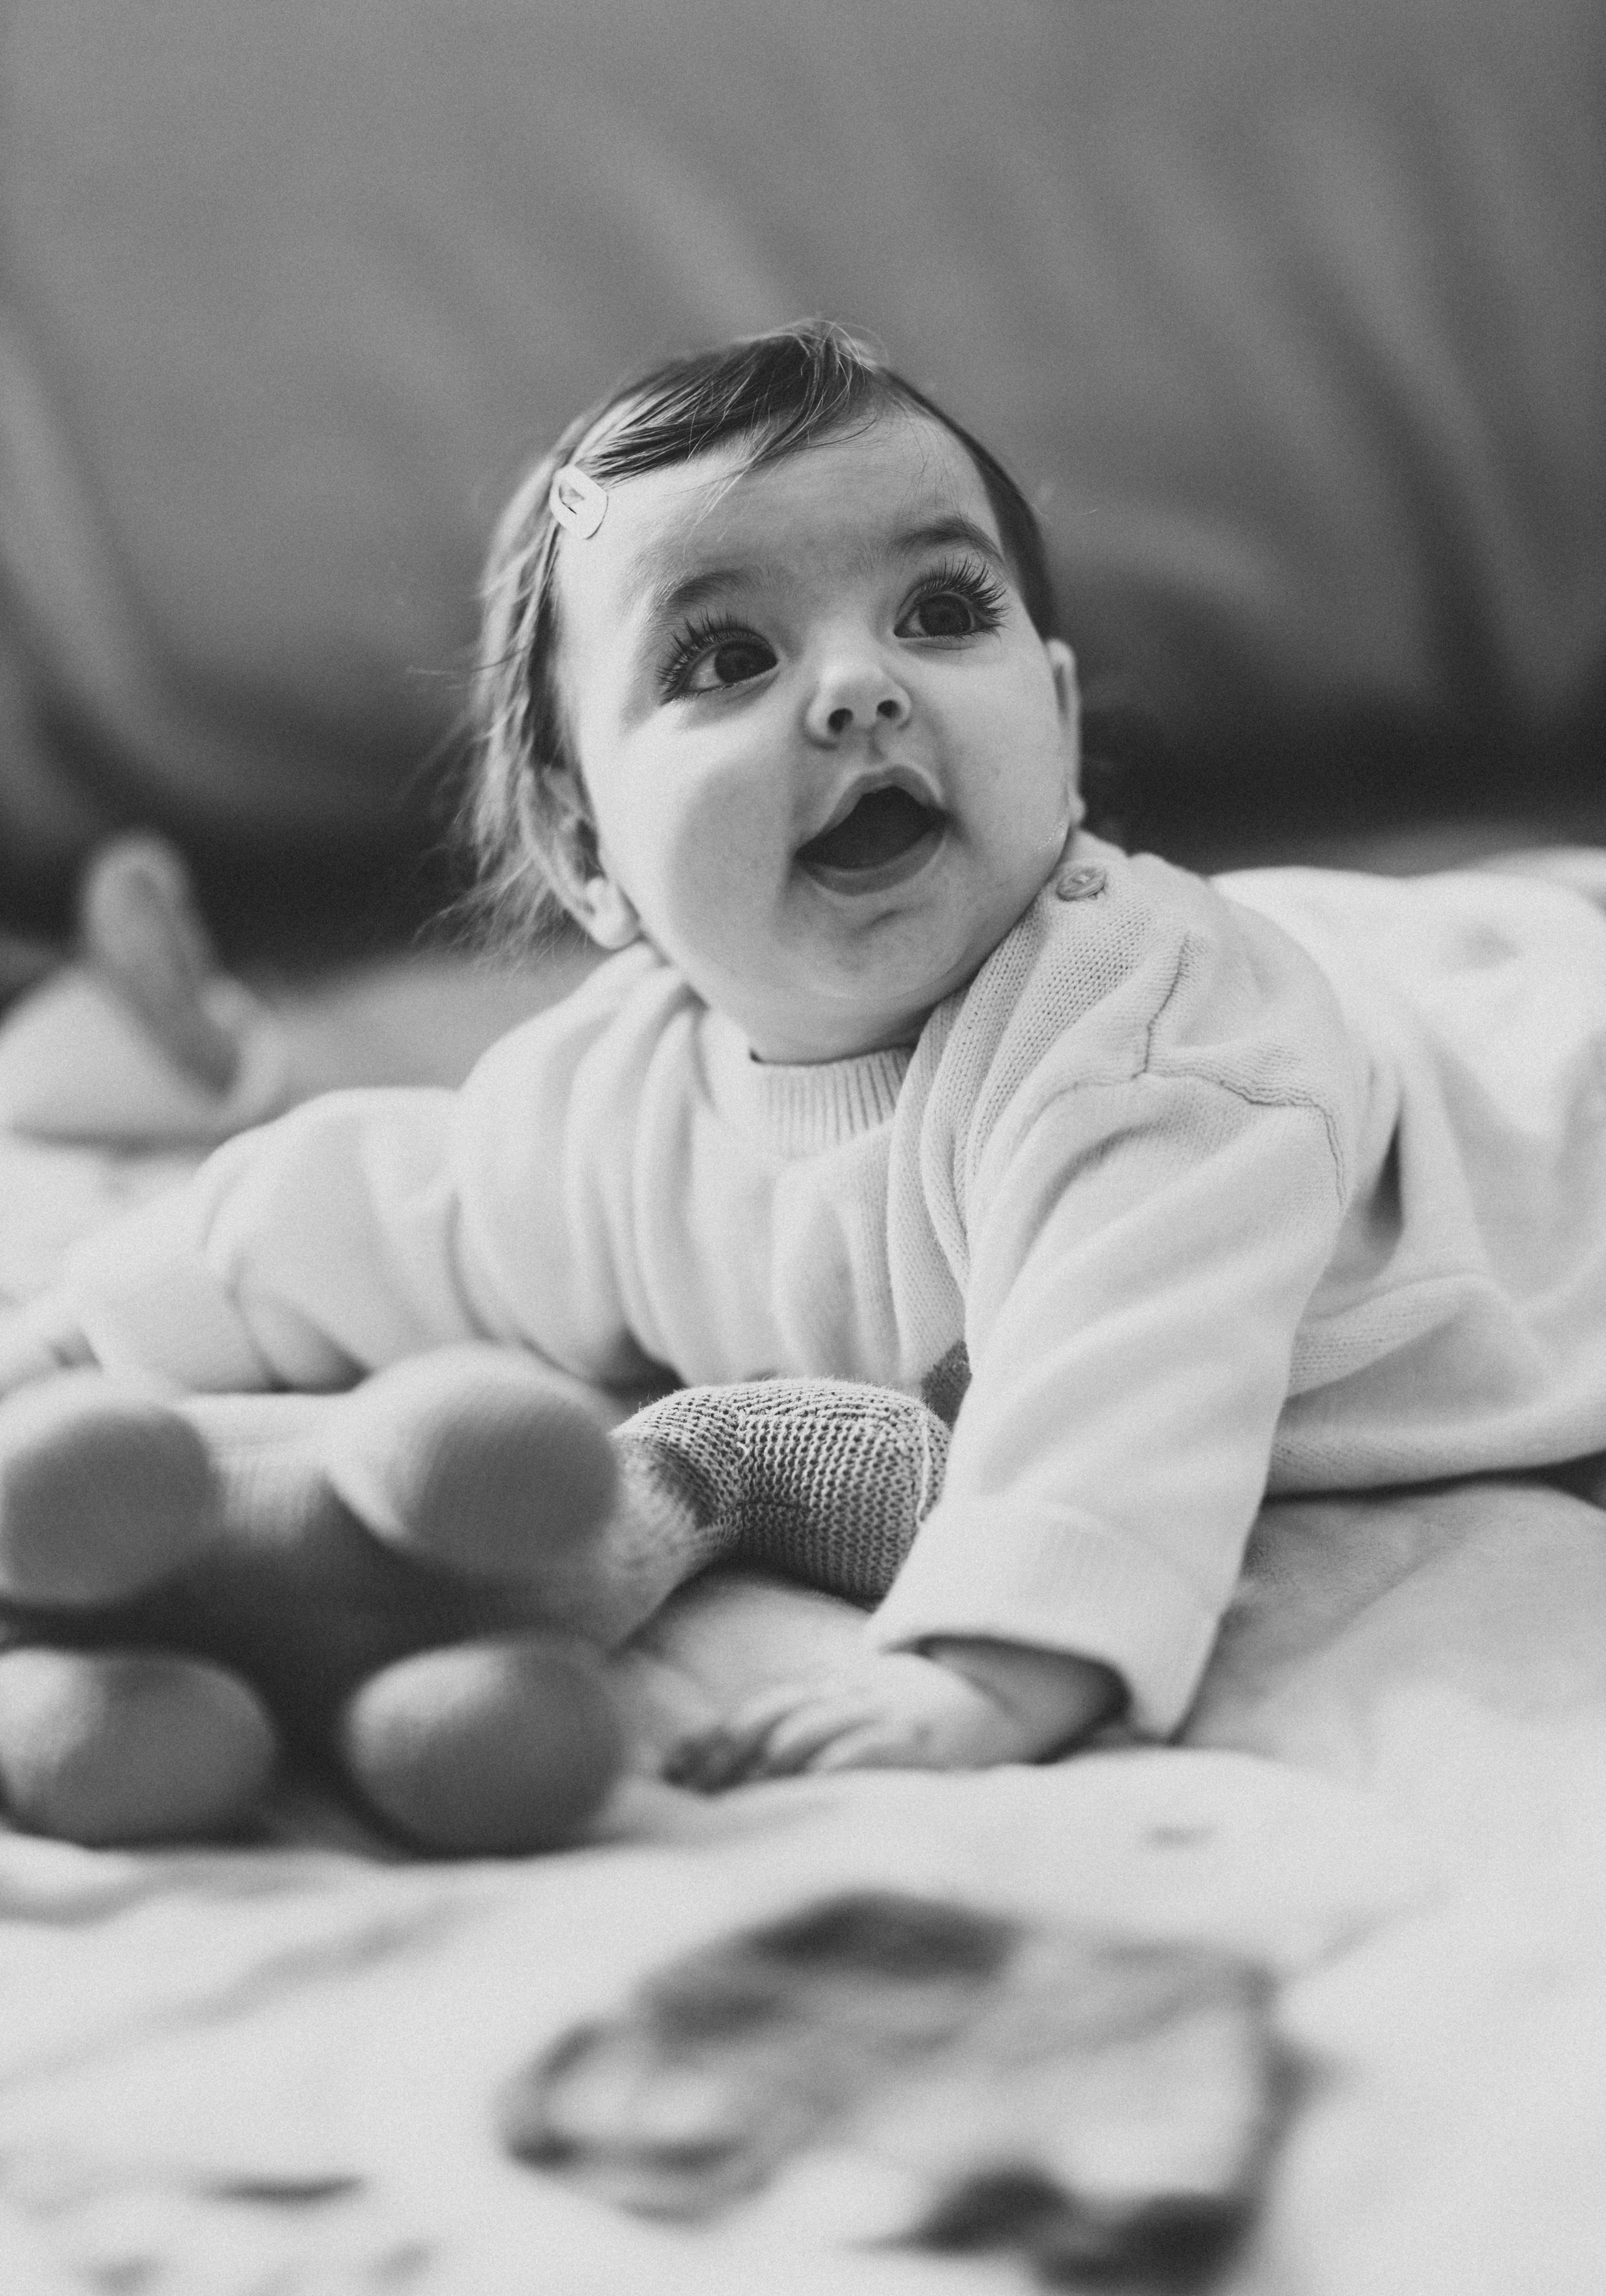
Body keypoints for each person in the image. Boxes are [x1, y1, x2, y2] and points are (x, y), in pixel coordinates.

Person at [4, 319, 1606, 1803]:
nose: (857, 688)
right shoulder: (614, 1106)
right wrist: (81, 1340)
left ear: (1056, 725)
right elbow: (372, 1209)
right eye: (724, 658)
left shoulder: (1146, 1046)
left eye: (941, 612)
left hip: (1551, 1115)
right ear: (584, 851)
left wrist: (986, 1670)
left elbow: (1133, 1379)